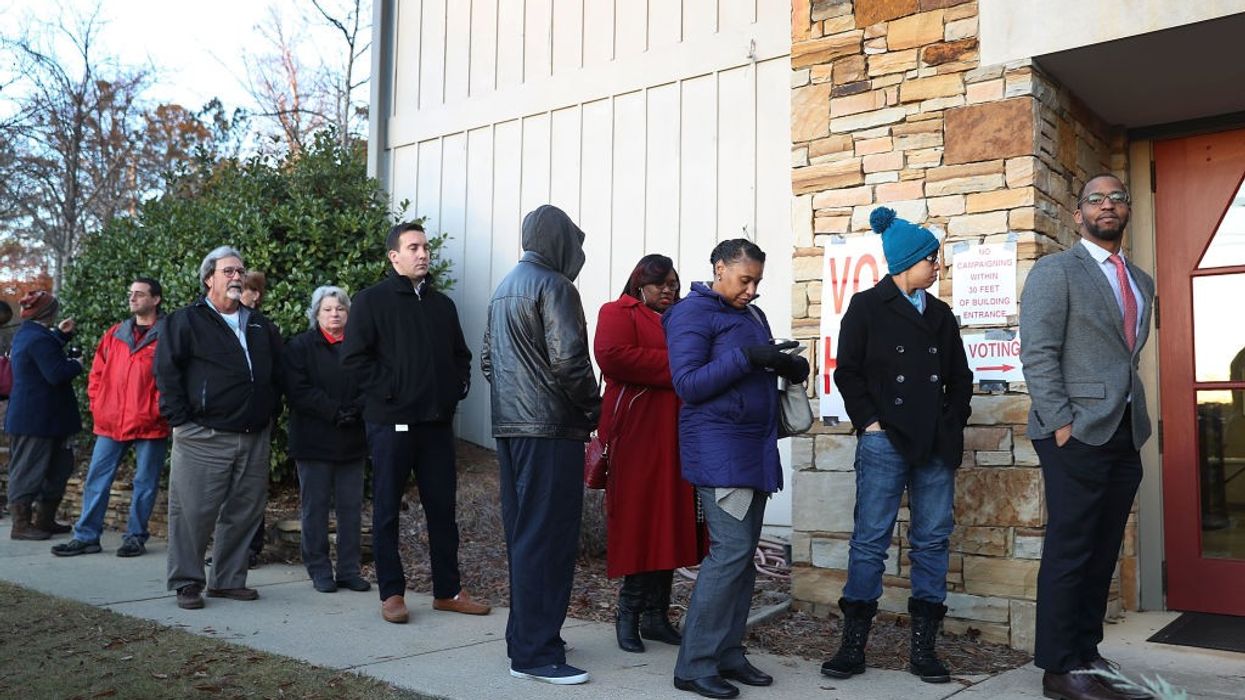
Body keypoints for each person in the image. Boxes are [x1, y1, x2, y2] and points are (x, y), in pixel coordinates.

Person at [821, 207, 972, 685]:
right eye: (933, 259)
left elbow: (960, 380)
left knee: (932, 541)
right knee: (869, 542)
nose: (938, 267)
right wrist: (869, 422)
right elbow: (846, 371)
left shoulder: (942, 316)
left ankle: (924, 651)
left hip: (934, 445)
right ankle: (852, 647)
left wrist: (951, 425)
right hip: (884, 442)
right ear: (910, 261)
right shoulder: (866, 307)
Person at [1021, 174, 1155, 700]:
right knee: (1071, 549)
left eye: (1117, 198)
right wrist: (1060, 423)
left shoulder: (1141, 280)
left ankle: (1086, 653)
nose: (1107, 205)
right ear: (1078, 215)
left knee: (1102, 551)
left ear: (1126, 212)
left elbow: (1125, 356)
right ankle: (1059, 668)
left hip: (1124, 431)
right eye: (1095, 199)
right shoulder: (1057, 271)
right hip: (1074, 432)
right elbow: (1038, 350)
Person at [664, 239, 808, 699]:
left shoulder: (750, 314)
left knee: (742, 557)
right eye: (745, 280)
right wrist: (747, 358)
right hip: (720, 450)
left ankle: (726, 653)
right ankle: (694, 664)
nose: (752, 289)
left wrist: (785, 364)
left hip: (753, 449)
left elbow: (752, 368)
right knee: (728, 554)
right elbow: (687, 384)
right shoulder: (691, 313)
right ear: (719, 269)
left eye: (757, 281)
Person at [341, 222, 488, 624]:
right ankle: (391, 593)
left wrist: (456, 387)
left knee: (443, 510)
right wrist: (393, 393)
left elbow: (462, 355)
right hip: (391, 424)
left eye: (425, 247)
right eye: (413, 247)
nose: (423, 254)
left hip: (436, 425)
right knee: (387, 509)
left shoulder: (443, 305)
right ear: (394, 257)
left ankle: (448, 591)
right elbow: (354, 360)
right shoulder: (371, 301)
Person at [481, 204, 600, 686]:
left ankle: (527, 639)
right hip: (549, 432)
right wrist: (594, 410)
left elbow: (489, 363)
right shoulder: (555, 286)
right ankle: (535, 654)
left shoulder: (503, 288)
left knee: (525, 537)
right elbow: (570, 362)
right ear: (559, 241)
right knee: (546, 539)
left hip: (511, 431)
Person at [156, 246, 284, 610]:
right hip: (202, 435)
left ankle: (228, 580)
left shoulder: (261, 324)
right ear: (209, 277)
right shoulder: (185, 320)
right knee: (193, 512)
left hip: (253, 435)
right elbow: (166, 372)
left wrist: (269, 411)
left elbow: (277, 373)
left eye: (240, 271)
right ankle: (187, 581)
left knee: (244, 512)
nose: (236, 277)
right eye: (228, 271)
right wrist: (180, 420)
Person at [593, 254, 701, 653]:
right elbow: (613, 356)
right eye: (661, 283)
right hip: (636, 437)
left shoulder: (682, 318)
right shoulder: (618, 311)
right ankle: (628, 614)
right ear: (640, 283)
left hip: (675, 436)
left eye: (674, 282)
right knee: (640, 522)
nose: (669, 289)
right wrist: (680, 365)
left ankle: (656, 617)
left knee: (669, 522)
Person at [51, 278, 169, 558]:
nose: (133, 298)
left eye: (139, 294)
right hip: (111, 421)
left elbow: (174, 378)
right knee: (97, 479)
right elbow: (97, 374)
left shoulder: (169, 335)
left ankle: (135, 537)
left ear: (156, 300)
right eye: (131, 294)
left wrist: (158, 409)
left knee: (145, 482)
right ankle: (87, 536)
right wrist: (99, 404)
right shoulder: (116, 332)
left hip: (150, 423)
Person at [285, 286, 369, 593]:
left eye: (341, 309)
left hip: (352, 439)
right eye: (328, 309)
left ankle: (348, 570)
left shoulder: (360, 347)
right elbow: (298, 390)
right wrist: (334, 411)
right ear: (316, 314)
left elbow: (371, 382)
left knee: (350, 509)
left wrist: (354, 410)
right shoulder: (300, 347)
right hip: (314, 441)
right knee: (315, 509)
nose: (335, 315)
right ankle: (319, 569)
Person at [5, 291, 83, 540]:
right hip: (36, 419)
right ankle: (21, 525)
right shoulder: (37, 338)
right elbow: (55, 373)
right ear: (49, 312)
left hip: (45, 418)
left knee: (57, 469)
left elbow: (43, 358)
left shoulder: (31, 335)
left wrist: (60, 336)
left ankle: (44, 520)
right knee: (28, 470)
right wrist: (77, 364)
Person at [240, 269, 268, 568]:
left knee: (251, 490)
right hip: (225, 422)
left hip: (255, 422)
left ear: (255, 295)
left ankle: (250, 548)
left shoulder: (262, 328)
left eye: (243, 287)